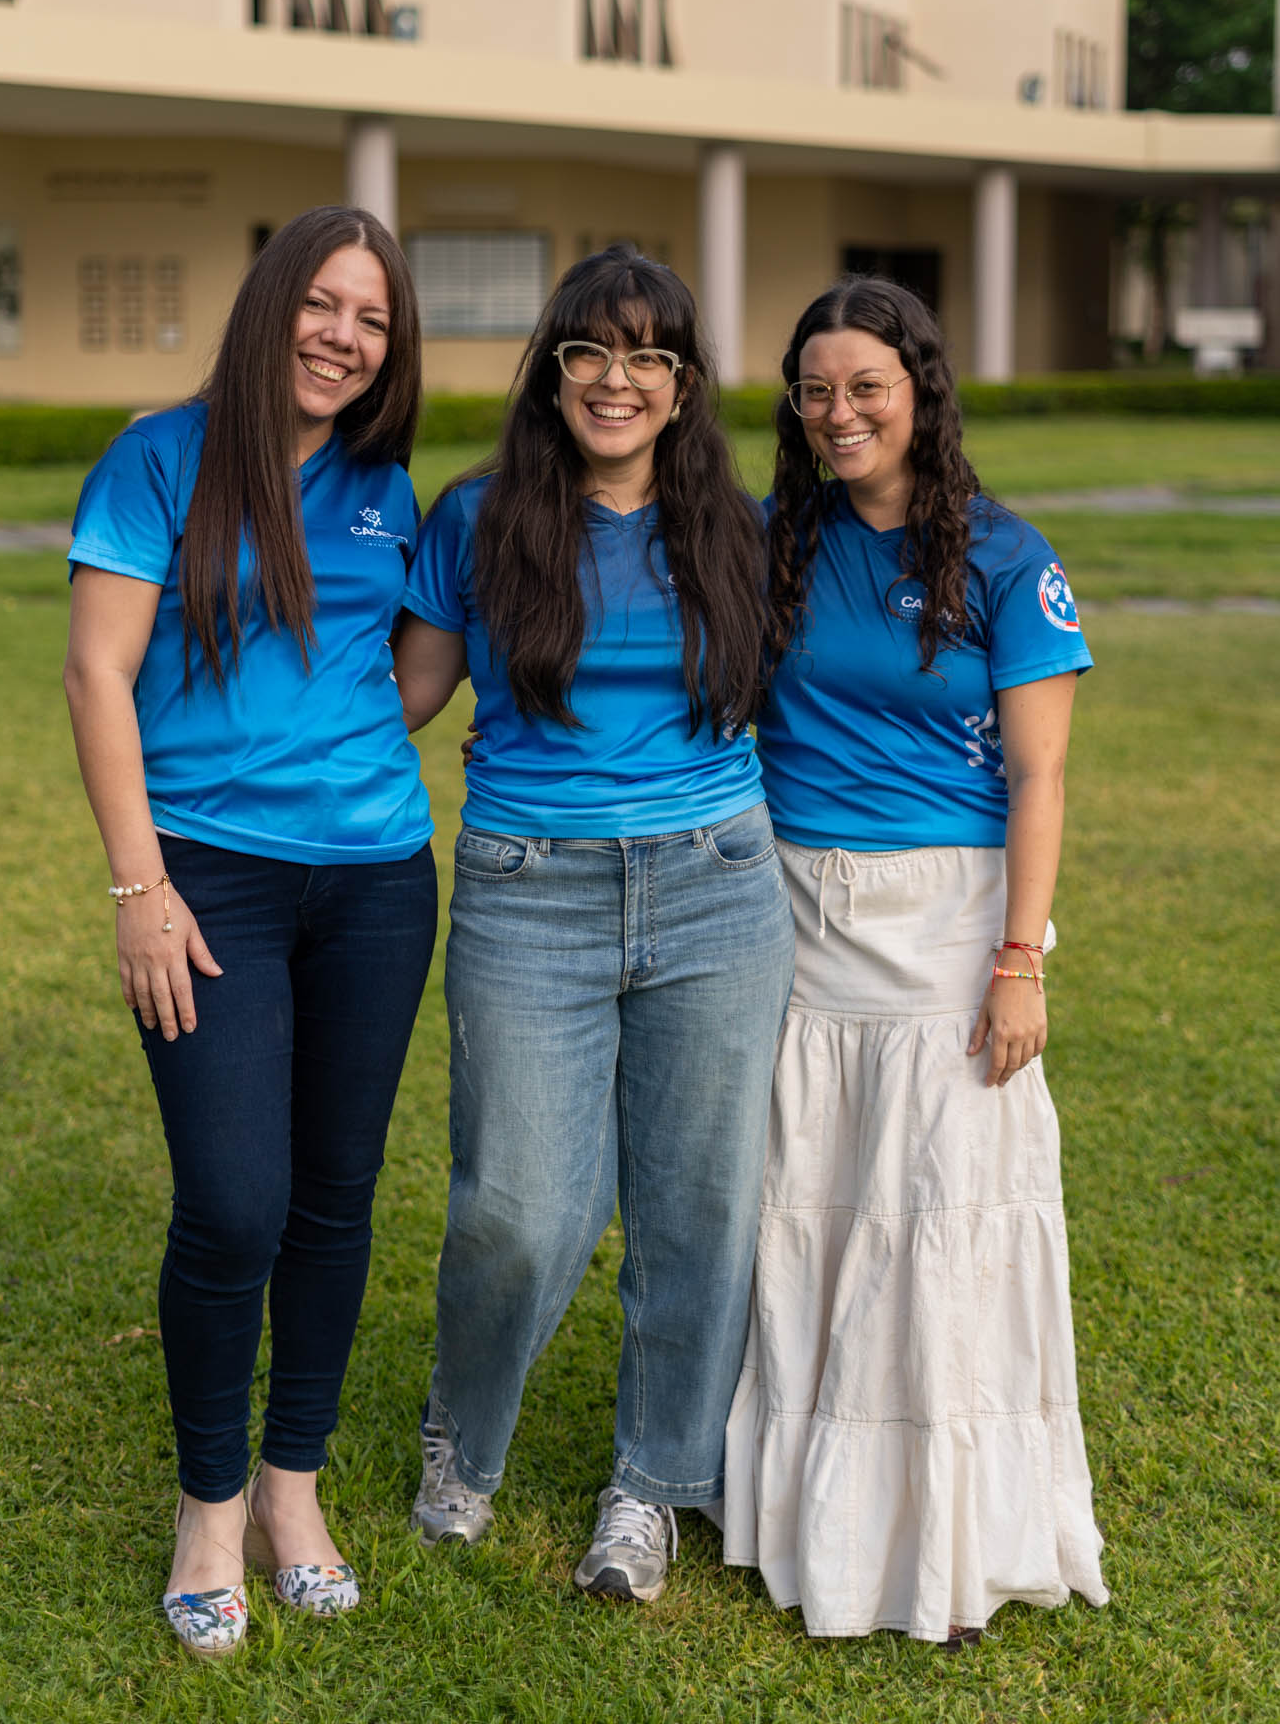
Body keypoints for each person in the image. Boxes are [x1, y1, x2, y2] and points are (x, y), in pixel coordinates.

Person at [391, 244, 795, 1604]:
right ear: (551, 367)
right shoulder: (474, 517)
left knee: (697, 1207)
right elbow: (401, 702)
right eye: (588, 351)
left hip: (715, 885)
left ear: (683, 387)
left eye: (647, 357)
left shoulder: (737, 527)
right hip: (526, 888)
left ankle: (650, 1484)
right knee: (515, 1206)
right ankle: (465, 1436)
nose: (614, 379)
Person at [63, 206, 438, 1659]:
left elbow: (409, 673)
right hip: (205, 885)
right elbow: (100, 673)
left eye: (374, 320)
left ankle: (294, 1492)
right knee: (232, 1200)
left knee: (332, 1198)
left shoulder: (385, 489)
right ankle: (207, 1508)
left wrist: (336, 752)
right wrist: (138, 886)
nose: (345, 337)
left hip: (377, 882)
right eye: (326, 305)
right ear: (275, 301)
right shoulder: (158, 460)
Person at [723, 275, 1109, 1646]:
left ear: (918, 393)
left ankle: (940, 1533)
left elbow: (1043, 777)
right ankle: (797, 1503)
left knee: (937, 1216)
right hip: (785, 913)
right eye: (815, 390)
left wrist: (1021, 957)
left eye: (865, 388)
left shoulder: (1006, 556)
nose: (838, 414)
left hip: (947, 924)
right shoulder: (770, 539)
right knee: (808, 1204)